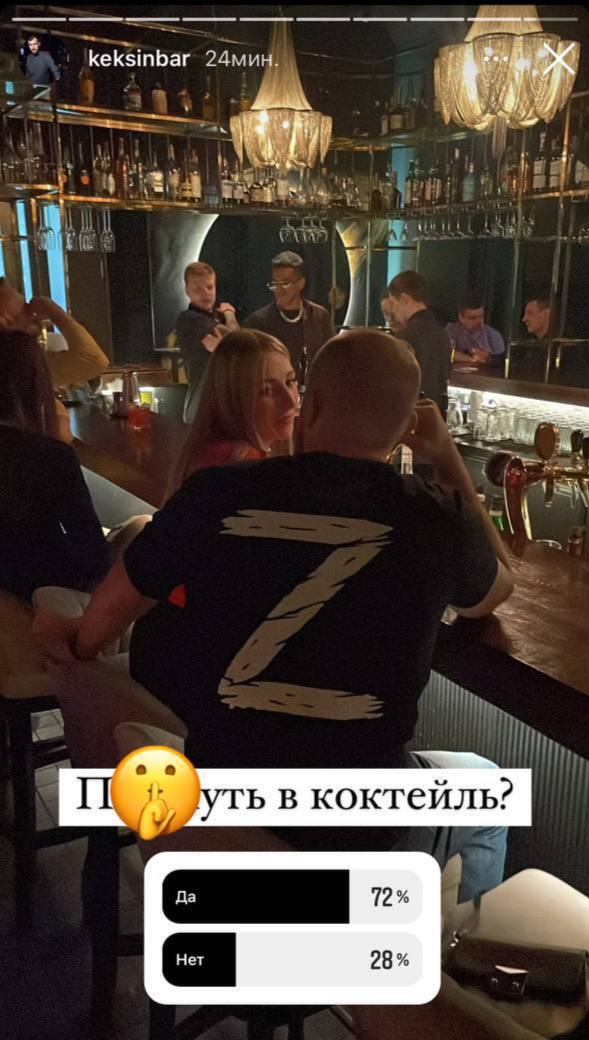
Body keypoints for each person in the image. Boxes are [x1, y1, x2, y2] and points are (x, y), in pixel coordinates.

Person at [38, 329, 512, 900]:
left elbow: (108, 613)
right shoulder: (436, 516)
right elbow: (492, 594)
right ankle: (421, 952)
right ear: (408, 423)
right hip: (358, 831)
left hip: (215, 811)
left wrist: (78, 644)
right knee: (487, 787)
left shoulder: (212, 493)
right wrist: (447, 456)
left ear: (310, 405)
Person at [0, 330, 108, 601]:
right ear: (35, 382)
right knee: (139, 530)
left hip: (13, 596)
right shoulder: (49, 456)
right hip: (38, 595)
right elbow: (93, 553)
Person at [168, 328, 299, 495]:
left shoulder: (210, 447)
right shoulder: (240, 467)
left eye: (290, 381)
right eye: (268, 390)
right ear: (233, 397)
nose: (291, 402)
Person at [0, 279, 109, 441]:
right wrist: (56, 313)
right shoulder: (21, 368)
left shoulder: (25, 363)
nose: (34, 313)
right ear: (4, 322)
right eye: (24, 309)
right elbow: (92, 360)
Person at [243, 251, 334, 387]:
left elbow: (330, 360)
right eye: (275, 283)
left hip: (314, 392)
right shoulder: (258, 321)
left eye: (285, 283)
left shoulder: (319, 316)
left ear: (301, 284)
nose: (278, 290)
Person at [174, 261, 238, 425]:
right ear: (187, 290)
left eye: (210, 287)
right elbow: (239, 340)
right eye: (198, 288)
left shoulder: (215, 319)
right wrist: (230, 314)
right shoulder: (189, 319)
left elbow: (240, 346)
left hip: (218, 406)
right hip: (202, 409)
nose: (206, 293)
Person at [388, 270, 452, 416]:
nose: (393, 311)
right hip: (437, 416)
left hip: (412, 417)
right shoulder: (442, 333)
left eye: (393, 303)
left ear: (404, 299)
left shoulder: (406, 337)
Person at [447, 293, 505, 366]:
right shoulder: (451, 331)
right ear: (461, 317)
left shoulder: (493, 336)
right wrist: (471, 359)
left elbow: (501, 363)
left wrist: (489, 358)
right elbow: (444, 352)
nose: (478, 322)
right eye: (472, 318)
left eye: (481, 316)